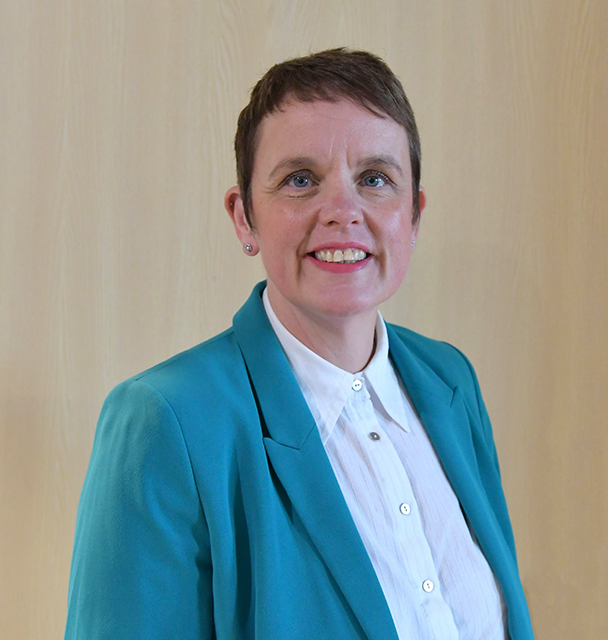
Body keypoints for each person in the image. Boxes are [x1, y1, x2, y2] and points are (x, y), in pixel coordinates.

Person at [65, 49, 534, 639]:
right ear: (245, 217)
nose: (342, 212)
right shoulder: (168, 422)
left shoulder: (451, 379)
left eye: (375, 179)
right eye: (301, 180)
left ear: (413, 214)